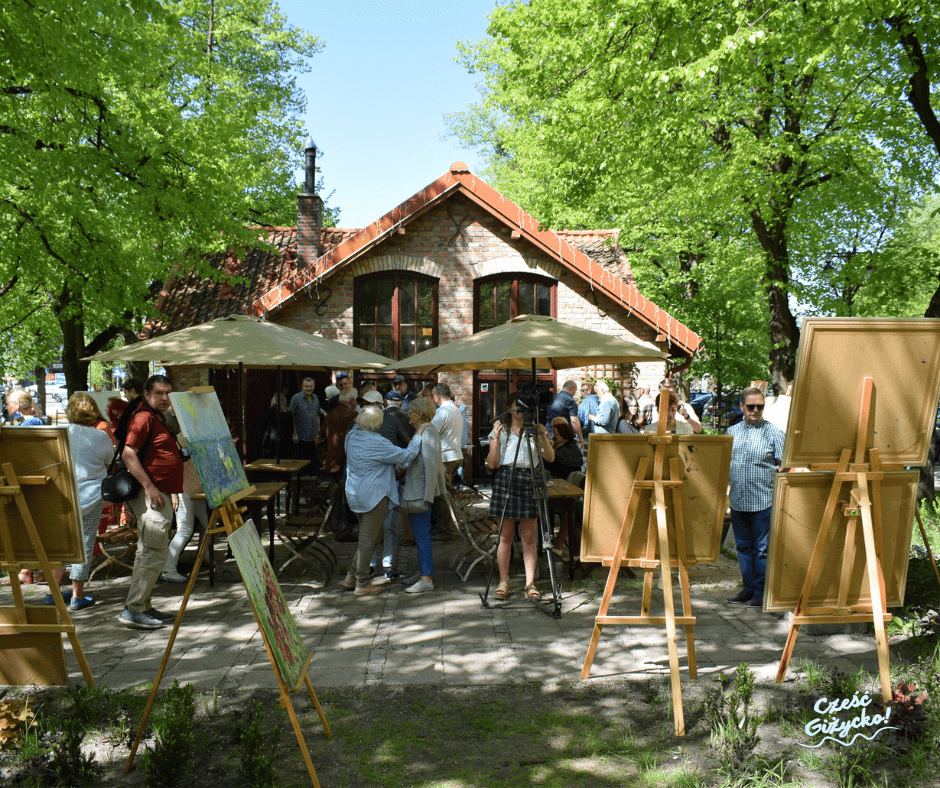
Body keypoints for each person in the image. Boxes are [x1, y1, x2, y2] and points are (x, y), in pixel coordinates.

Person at [118, 375, 185, 629]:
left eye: (168, 392)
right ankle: (134, 609)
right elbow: (128, 454)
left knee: (152, 551)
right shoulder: (143, 417)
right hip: (151, 495)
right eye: (159, 393)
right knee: (152, 552)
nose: (165, 397)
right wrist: (149, 487)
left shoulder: (157, 416)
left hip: (161, 493)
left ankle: (143, 605)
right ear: (146, 395)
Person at [339, 406, 422, 596]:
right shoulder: (378, 442)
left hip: (354, 493)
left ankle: (351, 576)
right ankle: (361, 582)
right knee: (369, 539)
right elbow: (408, 455)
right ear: (378, 423)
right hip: (374, 496)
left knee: (370, 536)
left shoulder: (351, 437)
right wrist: (419, 435)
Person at [44, 394, 113, 610]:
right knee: (84, 543)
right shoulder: (100, 436)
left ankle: (53, 592)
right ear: (93, 411)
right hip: (91, 495)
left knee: (60, 545)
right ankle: (77, 595)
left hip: (62, 495)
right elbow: (110, 460)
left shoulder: (60, 433)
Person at [486, 392, 555, 601]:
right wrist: (496, 440)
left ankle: (530, 583)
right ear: (509, 407)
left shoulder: (534, 429)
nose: (521, 410)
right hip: (506, 478)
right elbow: (492, 464)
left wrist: (542, 437)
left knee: (528, 537)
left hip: (529, 478)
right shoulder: (501, 429)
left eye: (524, 406)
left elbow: (550, 458)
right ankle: (503, 581)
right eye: (517, 406)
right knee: (505, 536)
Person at [726, 386, 784, 608]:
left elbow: (786, 466)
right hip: (739, 500)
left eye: (759, 406)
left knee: (762, 550)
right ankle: (748, 588)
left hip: (763, 501)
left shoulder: (774, 433)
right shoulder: (731, 433)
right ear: (742, 406)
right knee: (743, 547)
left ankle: (760, 592)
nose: (755, 410)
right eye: (750, 406)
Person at [401, 396, 447, 594]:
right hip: (416, 491)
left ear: (419, 414)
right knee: (420, 535)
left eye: (410, 411)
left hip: (420, 493)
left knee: (422, 536)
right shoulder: (424, 431)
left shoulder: (428, 432)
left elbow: (431, 467)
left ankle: (426, 578)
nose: (407, 415)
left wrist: (428, 496)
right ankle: (422, 572)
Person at [369, 389, 416, 579]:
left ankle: (380, 565)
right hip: (380, 479)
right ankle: (381, 565)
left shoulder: (361, 432)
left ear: (383, 405)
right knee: (382, 525)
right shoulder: (358, 432)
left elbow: (404, 447)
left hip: (385, 479)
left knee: (383, 525)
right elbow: (407, 446)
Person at [315, 386, 360, 541]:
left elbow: (319, 439)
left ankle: (336, 527)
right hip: (346, 463)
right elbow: (351, 440)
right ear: (352, 400)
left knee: (335, 497)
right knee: (344, 498)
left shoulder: (332, 413)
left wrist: (324, 458)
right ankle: (343, 530)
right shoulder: (353, 414)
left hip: (332, 464)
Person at [288, 378, 320, 472]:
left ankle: (312, 481)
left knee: (313, 462)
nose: (308, 388)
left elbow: (317, 414)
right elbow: (291, 417)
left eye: (311, 386)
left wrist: (318, 431)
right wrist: (294, 433)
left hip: (313, 435)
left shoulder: (316, 398)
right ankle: (302, 482)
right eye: (306, 386)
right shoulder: (296, 398)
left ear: (313, 387)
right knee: (301, 463)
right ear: (302, 387)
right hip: (300, 436)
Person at [545, 380, 584, 444]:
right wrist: (580, 437)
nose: (574, 393)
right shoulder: (571, 401)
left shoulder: (553, 398)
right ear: (571, 388)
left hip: (549, 431)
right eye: (575, 390)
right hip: (562, 434)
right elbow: (574, 421)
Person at [260, 393, 294, 460]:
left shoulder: (270, 411)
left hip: (270, 442)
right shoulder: (288, 413)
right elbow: (291, 429)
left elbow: (263, 425)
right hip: (286, 443)